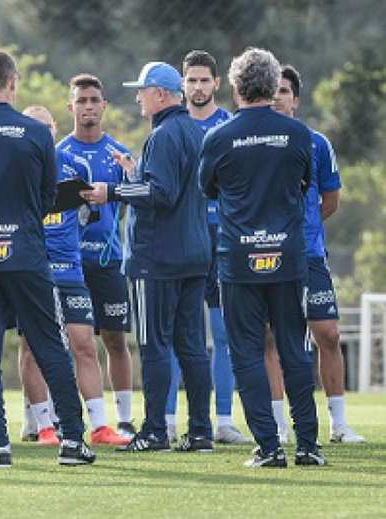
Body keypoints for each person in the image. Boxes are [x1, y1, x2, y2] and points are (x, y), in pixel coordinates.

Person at [0, 48, 93, 467]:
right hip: (28, 255)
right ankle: (72, 442)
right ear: (13, 83)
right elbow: (49, 197)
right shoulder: (35, 133)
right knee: (50, 346)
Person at [199, 48, 324, 467]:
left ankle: (269, 448)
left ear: (234, 88)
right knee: (294, 348)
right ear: (273, 88)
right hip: (288, 256)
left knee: (247, 353)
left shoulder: (218, 137)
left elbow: (208, 189)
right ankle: (308, 445)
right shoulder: (298, 134)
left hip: (238, 259)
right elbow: (306, 183)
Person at [85, 61, 213, 453]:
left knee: (153, 343)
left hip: (157, 258)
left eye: (142, 90)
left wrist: (114, 190)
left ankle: (155, 430)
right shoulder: (194, 130)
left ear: (160, 94)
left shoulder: (162, 135)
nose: (137, 96)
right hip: (194, 253)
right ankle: (201, 431)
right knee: (191, 345)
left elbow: (160, 193)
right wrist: (136, 174)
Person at [19, 105, 129, 447]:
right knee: (32, 346)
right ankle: (45, 426)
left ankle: (99, 426)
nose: (40, 135)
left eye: (45, 128)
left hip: (71, 269)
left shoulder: (74, 165)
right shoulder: (15, 168)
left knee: (84, 343)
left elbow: (88, 216)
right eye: (32, 128)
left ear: (53, 130)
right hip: (33, 271)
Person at [269, 64, 364, 444]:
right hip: (268, 255)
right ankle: (279, 425)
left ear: (296, 99)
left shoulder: (317, 143)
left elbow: (330, 201)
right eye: (272, 89)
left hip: (309, 254)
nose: (278, 95)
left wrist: (303, 226)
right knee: (272, 340)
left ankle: (338, 424)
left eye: (285, 90)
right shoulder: (256, 142)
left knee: (327, 332)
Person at [57, 74, 136, 439]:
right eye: (81, 100)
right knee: (74, 342)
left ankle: (122, 418)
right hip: (66, 264)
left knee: (115, 339)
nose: (88, 106)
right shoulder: (58, 155)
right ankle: (47, 420)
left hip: (107, 263)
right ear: (70, 106)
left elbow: (126, 205)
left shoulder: (119, 154)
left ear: (104, 106)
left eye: (94, 100)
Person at [180, 50, 249, 445]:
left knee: (223, 335)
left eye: (205, 80)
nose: (198, 87)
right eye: (192, 80)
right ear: (182, 83)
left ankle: (223, 420)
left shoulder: (231, 127)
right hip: (185, 241)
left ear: (217, 84)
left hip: (223, 241)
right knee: (180, 334)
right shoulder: (173, 125)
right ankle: (172, 418)